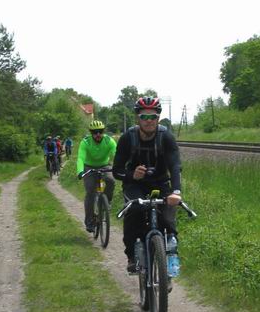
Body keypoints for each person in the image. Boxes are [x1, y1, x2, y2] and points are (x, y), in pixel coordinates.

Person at [113, 97, 183, 274]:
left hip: (160, 183)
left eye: (153, 116)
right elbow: (116, 171)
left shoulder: (166, 137)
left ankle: (169, 255)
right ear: (137, 118)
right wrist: (131, 175)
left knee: (168, 218)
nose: (149, 121)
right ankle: (131, 256)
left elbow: (175, 166)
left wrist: (176, 192)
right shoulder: (128, 138)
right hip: (134, 185)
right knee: (134, 211)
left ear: (158, 118)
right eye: (144, 117)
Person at [76, 120, 117, 233]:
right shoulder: (86, 142)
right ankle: (89, 221)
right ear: (91, 133)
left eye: (100, 131)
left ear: (103, 131)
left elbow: (117, 154)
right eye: (95, 132)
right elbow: (80, 158)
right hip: (89, 167)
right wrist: (80, 171)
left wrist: (120, 167)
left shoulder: (109, 141)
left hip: (104, 165)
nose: (98, 134)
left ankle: (107, 202)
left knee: (111, 180)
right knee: (90, 192)